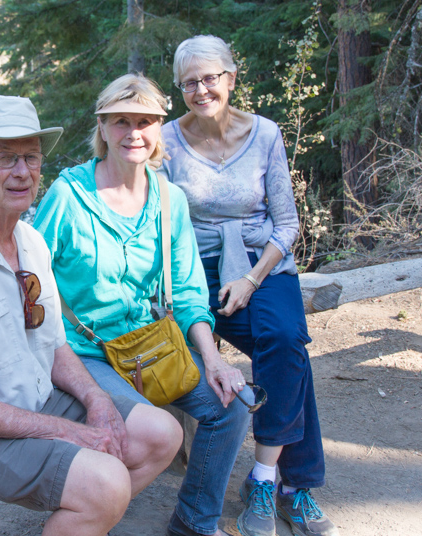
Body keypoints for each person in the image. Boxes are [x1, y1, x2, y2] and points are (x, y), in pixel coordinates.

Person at [0, 95, 182, 536]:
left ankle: (82, 523)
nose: (22, 172)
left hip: (31, 401)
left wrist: (98, 400)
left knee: (161, 433)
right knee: (106, 484)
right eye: (6, 158)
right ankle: (90, 509)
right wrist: (66, 433)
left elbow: (54, 345)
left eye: (31, 157)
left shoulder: (30, 242)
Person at [33, 75, 250, 536]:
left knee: (229, 406)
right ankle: (87, 517)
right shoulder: (68, 197)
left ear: (159, 128)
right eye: (121, 122)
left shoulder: (169, 199)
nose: (134, 133)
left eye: (145, 121)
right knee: (145, 431)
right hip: (85, 352)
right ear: (103, 128)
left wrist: (213, 360)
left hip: (149, 345)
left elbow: (191, 291)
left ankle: (194, 522)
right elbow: (30, 280)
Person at [160, 35, 338, 536]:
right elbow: (156, 215)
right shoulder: (167, 142)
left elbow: (287, 224)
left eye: (210, 78)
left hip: (262, 262)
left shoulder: (265, 134)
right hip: (194, 269)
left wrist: (251, 279)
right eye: (189, 82)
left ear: (231, 78)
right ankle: (295, 486)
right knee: (290, 357)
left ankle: (264, 478)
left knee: (284, 341)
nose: (200, 90)